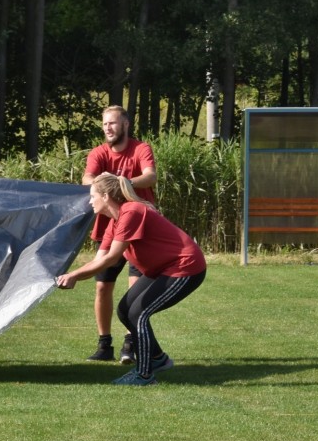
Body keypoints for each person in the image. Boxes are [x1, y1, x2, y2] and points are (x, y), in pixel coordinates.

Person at [55, 173, 206, 385]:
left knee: (138, 313)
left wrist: (73, 276)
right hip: (161, 269)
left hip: (185, 267)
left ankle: (144, 375)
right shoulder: (114, 222)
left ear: (106, 196)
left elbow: (112, 258)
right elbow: (100, 260)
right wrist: (71, 276)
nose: (90, 201)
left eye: (92, 196)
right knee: (125, 310)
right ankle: (158, 359)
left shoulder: (131, 212)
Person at [81, 105, 157, 365]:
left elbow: (150, 176)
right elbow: (87, 178)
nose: (108, 128)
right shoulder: (98, 153)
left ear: (125, 124)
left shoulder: (140, 149)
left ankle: (130, 343)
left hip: (138, 233)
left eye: (112, 123)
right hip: (108, 230)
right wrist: (103, 182)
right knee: (102, 287)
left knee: (134, 291)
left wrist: (119, 183)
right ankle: (104, 345)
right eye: (104, 124)